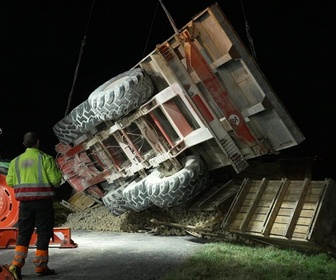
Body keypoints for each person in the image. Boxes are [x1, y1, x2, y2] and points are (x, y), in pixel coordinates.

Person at [6, 131, 62, 279]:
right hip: (43, 203)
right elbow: (56, 181)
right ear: (38, 142)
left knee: (24, 233)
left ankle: (16, 265)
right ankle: (41, 267)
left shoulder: (15, 162)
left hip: (25, 204)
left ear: (24, 144)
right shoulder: (46, 159)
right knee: (43, 233)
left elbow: (10, 182)